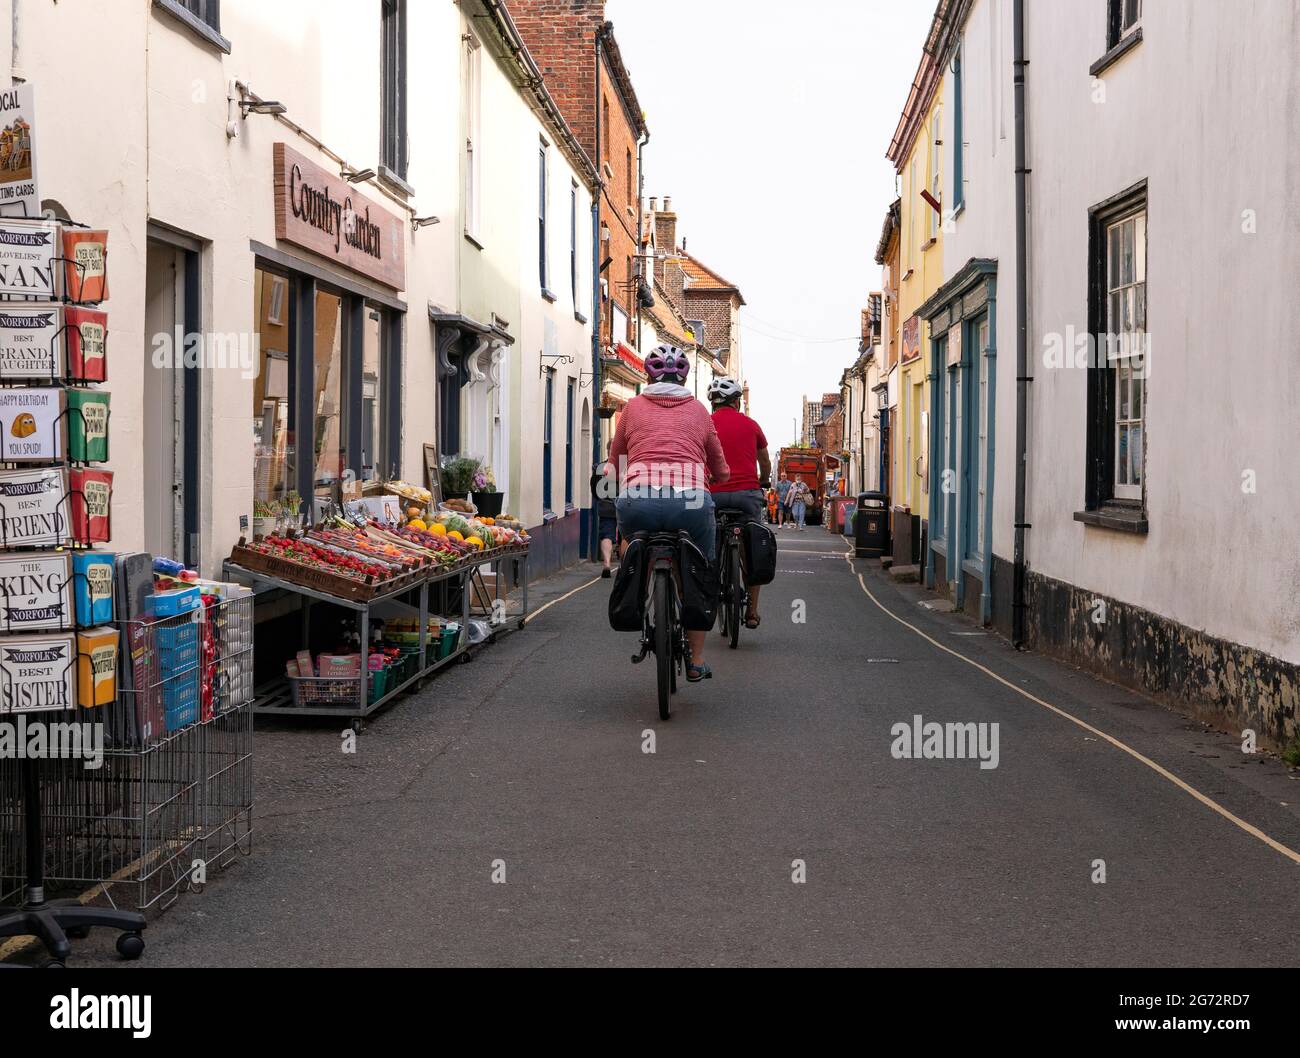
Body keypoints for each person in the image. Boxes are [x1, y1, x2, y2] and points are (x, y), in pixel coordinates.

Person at [608, 345, 729, 682]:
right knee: (701, 565)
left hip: (637, 499)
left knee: (631, 541)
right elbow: (718, 465)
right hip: (690, 500)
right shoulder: (700, 411)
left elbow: (615, 460)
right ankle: (696, 659)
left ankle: (635, 584)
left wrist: (612, 478)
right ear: (685, 377)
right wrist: (721, 477)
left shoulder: (631, 409)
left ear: (647, 375)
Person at [706, 376, 771, 629]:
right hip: (747, 494)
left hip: (713, 493)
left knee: (708, 546)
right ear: (737, 403)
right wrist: (763, 481)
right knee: (752, 549)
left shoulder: (705, 424)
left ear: (713, 403)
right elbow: (764, 462)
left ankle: (709, 600)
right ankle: (752, 612)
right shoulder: (751, 425)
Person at [590, 460, 618, 577]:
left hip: (606, 505)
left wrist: (600, 499)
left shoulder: (600, 467)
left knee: (607, 535)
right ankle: (625, 566)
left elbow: (594, 487)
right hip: (626, 504)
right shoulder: (629, 466)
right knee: (626, 536)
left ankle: (607, 563)